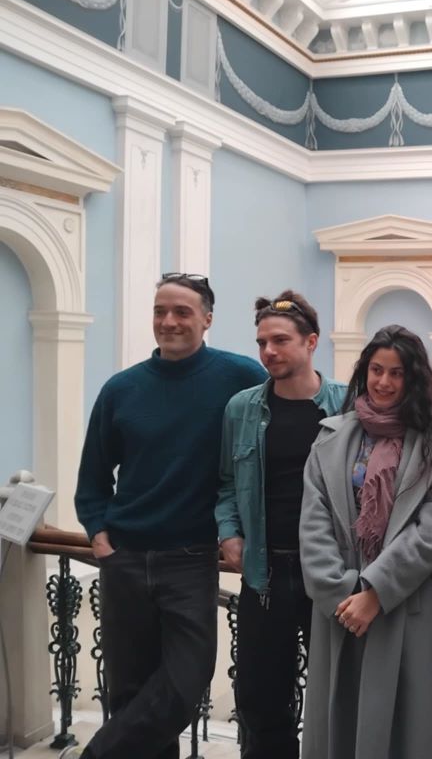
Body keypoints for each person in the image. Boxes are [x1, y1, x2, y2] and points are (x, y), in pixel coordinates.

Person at [67, 273, 265, 759]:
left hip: (191, 558)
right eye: (160, 311)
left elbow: (293, 411)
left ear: (207, 319)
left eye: (182, 312)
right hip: (125, 559)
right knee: (130, 693)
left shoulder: (240, 378)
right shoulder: (121, 389)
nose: (169, 321)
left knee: (184, 683)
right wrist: (99, 535)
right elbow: (93, 476)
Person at [298, 325, 432, 759]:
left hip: (402, 604)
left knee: (399, 729)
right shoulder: (330, 437)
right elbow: (313, 520)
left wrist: (375, 592)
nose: (383, 382)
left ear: (413, 379)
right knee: (336, 722)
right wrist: (342, 591)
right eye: (376, 370)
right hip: (339, 606)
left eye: (396, 373)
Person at [215, 291, 347, 759]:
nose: (268, 351)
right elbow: (226, 482)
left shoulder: (347, 404)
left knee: (336, 693)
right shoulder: (241, 408)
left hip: (330, 574)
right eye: (262, 342)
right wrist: (229, 532)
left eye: (280, 340)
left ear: (311, 342)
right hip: (264, 574)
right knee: (260, 697)